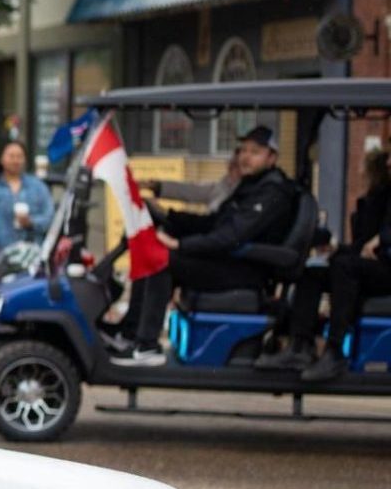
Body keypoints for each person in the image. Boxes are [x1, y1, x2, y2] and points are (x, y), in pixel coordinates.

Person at [118, 126, 296, 367]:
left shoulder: (271, 192)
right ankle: (130, 333)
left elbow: (231, 237)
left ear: (271, 158)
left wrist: (180, 244)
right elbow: (214, 223)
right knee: (153, 254)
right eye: (243, 150)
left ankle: (146, 345)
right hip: (231, 261)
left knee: (164, 261)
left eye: (255, 152)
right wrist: (170, 219)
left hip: (245, 269)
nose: (245, 156)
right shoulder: (250, 185)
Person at [262, 148, 389, 375]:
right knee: (313, 272)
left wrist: (383, 238)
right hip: (377, 265)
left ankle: (335, 350)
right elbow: (364, 246)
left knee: (344, 267)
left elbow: (377, 241)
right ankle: (300, 345)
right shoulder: (380, 198)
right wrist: (338, 249)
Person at [0, 140, 53, 257]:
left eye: (19, 157)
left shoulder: (38, 187)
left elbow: (49, 217)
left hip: (31, 253)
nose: (15, 161)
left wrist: (31, 222)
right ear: (1, 159)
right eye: (11, 156)